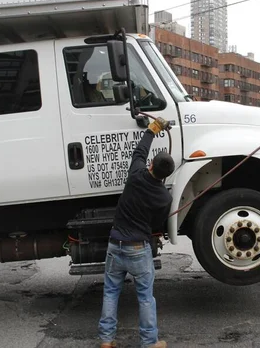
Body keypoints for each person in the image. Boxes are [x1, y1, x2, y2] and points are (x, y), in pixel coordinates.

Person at [98, 117, 174, 348]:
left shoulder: (136, 173)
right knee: (145, 298)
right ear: (165, 175)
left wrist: (152, 130)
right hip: (138, 249)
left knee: (111, 293)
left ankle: (106, 341)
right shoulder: (165, 197)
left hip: (115, 244)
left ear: (151, 165)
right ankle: (150, 342)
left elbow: (140, 151)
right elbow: (156, 225)